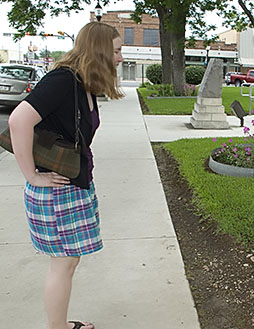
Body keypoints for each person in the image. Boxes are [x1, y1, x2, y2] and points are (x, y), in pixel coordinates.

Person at [8, 22, 124, 329]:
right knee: (62, 265)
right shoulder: (63, 80)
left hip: (70, 187)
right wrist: (31, 175)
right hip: (57, 192)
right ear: (99, 50)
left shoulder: (82, 83)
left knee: (67, 263)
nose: (120, 57)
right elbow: (19, 120)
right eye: (116, 50)